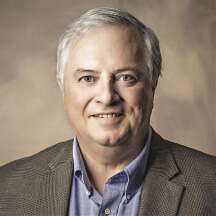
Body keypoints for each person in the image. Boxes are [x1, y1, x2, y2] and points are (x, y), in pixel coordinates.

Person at [0, 7, 215, 216]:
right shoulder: (7, 188)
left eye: (126, 77)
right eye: (88, 78)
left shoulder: (210, 186)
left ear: (152, 84)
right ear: (62, 86)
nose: (106, 96)